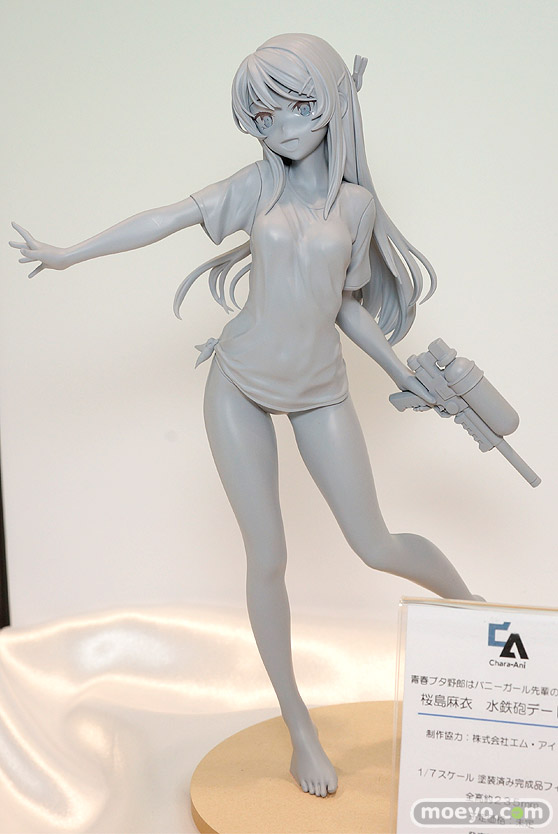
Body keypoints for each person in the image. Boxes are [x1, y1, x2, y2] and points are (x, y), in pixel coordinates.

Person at [11, 33, 480, 798]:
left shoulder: (355, 206)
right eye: (262, 114)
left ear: (332, 102)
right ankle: (301, 729)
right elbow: (165, 218)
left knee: (377, 543)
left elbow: (346, 306)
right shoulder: (254, 187)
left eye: (295, 106)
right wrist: (71, 253)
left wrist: (402, 374)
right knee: (267, 558)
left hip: (321, 389)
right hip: (239, 385)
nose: (280, 126)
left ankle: (479, 614)